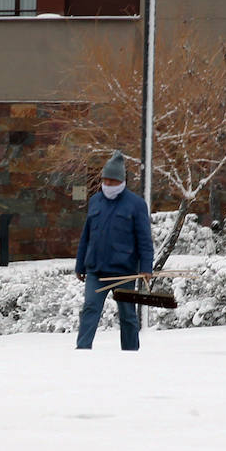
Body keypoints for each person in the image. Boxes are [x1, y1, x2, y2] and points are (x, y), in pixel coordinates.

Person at [74, 150, 154, 350]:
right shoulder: (95, 201)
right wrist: (80, 264)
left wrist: (146, 267)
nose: (107, 185)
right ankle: (82, 351)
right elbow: (86, 236)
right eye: (105, 181)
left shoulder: (136, 205)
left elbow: (144, 240)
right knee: (90, 309)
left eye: (111, 182)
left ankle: (131, 352)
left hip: (124, 272)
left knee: (128, 315)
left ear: (121, 181)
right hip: (96, 269)